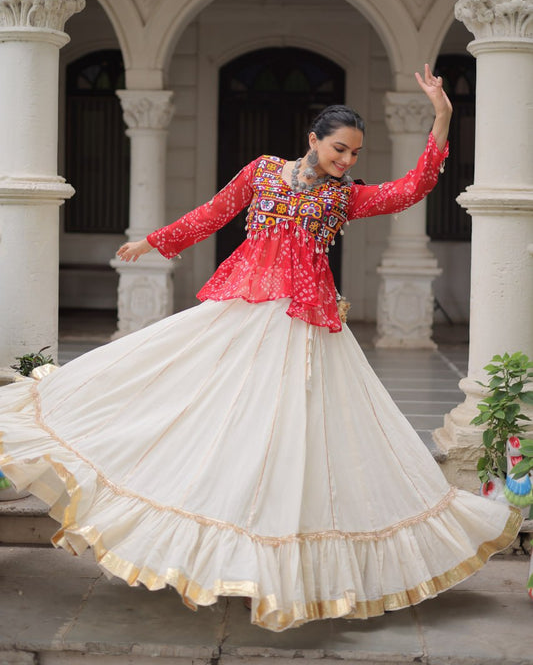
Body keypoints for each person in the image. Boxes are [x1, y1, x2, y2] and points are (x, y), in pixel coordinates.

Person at [0, 65, 520, 632]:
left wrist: (443, 113)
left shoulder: (344, 197)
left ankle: (272, 565)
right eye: (339, 149)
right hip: (244, 311)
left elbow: (412, 188)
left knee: (287, 436)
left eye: (355, 154)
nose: (347, 160)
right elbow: (215, 212)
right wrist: (153, 241)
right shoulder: (264, 171)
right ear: (313, 139)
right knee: (211, 414)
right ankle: (222, 553)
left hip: (304, 325)